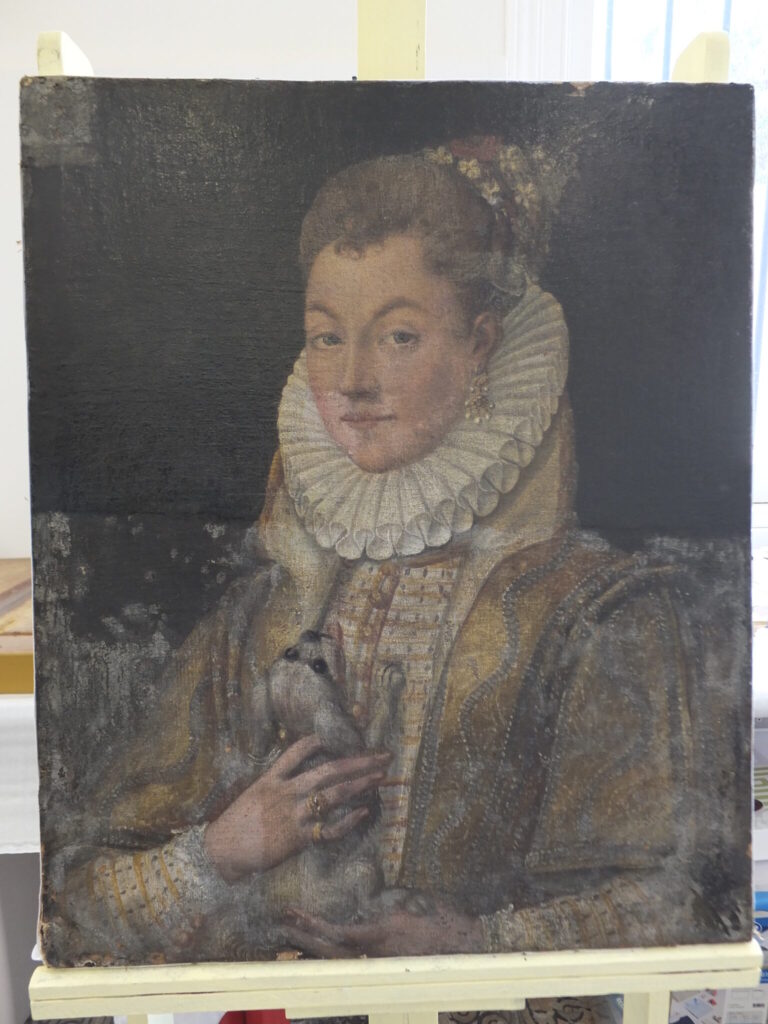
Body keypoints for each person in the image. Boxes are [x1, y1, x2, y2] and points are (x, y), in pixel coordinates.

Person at [41, 139, 751, 967]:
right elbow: (77, 904)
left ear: (481, 344)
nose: (353, 380)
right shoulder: (258, 618)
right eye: (325, 337)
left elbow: (690, 901)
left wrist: (476, 941)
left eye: (399, 336)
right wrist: (224, 849)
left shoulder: (600, 614)